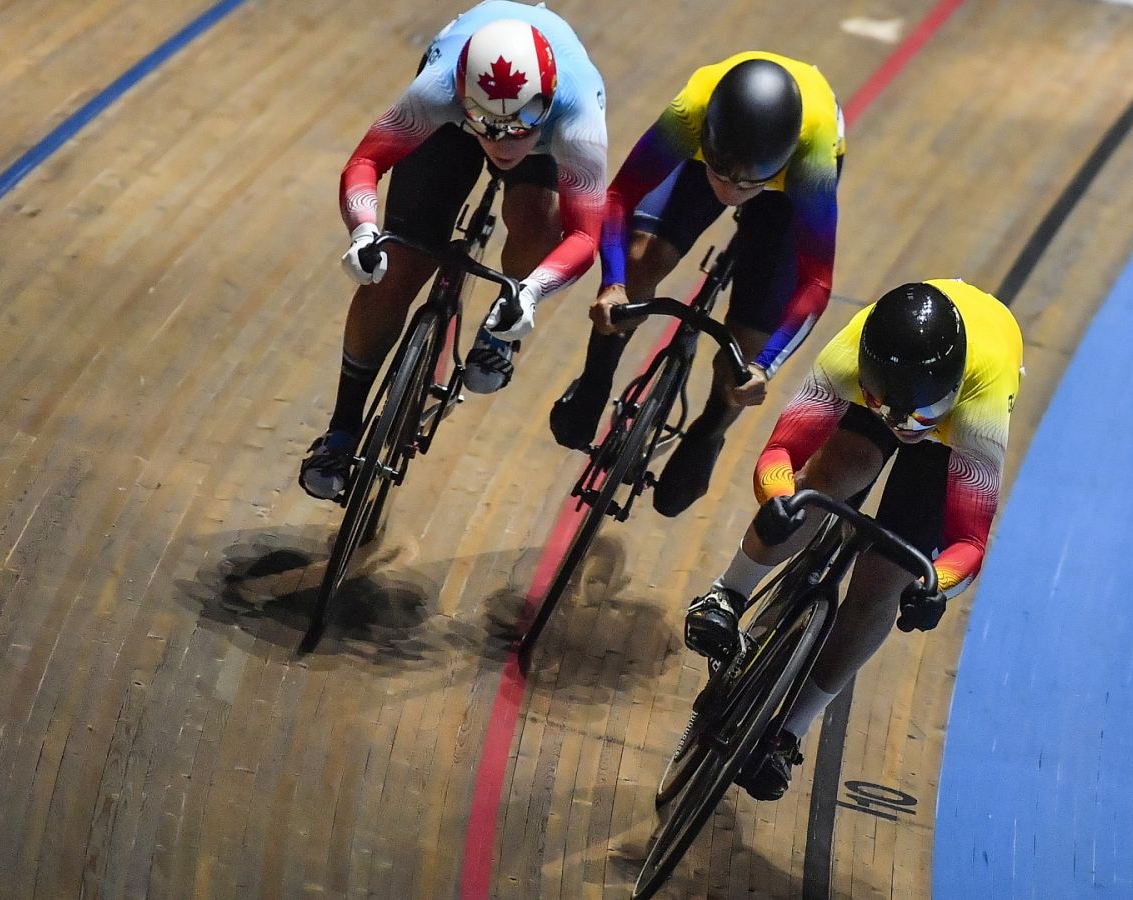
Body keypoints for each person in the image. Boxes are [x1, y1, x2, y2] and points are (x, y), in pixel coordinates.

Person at [686, 279, 1023, 800]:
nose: (904, 425)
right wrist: (780, 500)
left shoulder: (979, 410)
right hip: (892, 389)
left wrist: (937, 587)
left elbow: (969, 541)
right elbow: (781, 454)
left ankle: (788, 733)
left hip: (957, 419)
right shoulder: (849, 356)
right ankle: (726, 594)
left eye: (922, 415)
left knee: (885, 578)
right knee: (835, 474)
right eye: (888, 409)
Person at [300, 0, 607, 502]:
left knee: (535, 222)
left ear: (548, 103)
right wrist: (363, 232)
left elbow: (584, 236)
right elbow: (364, 163)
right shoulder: (439, 88)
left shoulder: (578, 115)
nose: (504, 142)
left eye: (520, 125)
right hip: (453, 123)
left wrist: (530, 293)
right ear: (462, 98)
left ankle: (501, 334)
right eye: (489, 125)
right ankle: (341, 430)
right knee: (398, 269)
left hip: (532, 136)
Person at [548, 52, 843, 517]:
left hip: (783, 190)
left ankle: (709, 431)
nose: (731, 190)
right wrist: (614, 284)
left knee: (742, 356)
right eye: (722, 176)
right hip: (724, 154)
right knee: (645, 258)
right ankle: (595, 379)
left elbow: (817, 283)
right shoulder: (693, 112)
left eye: (747, 185)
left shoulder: (812, 161)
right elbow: (620, 195)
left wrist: (763, 367)